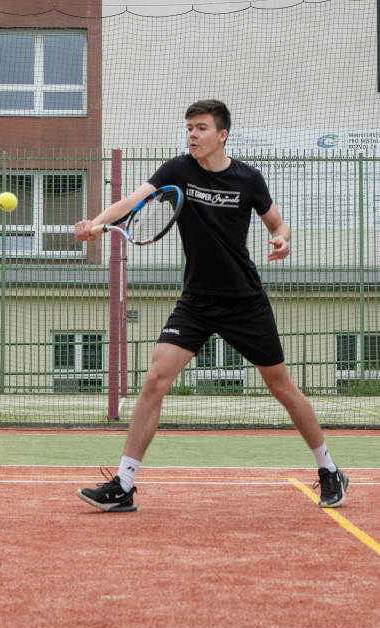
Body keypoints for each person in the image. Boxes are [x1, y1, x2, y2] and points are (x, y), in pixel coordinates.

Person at [74, 99, 348, 512]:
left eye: (201, 128)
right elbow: (132, 201)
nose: (192, 134)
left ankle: (329, 470)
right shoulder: (178, 170)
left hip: (243, 300)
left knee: (281, 386)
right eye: (189, 128)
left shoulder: (248, 179)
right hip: (197, 301)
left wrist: (282, 239)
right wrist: (95, 223)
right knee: (155, 380)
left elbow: (277, 223)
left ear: (222, 135)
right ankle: (123, 485)